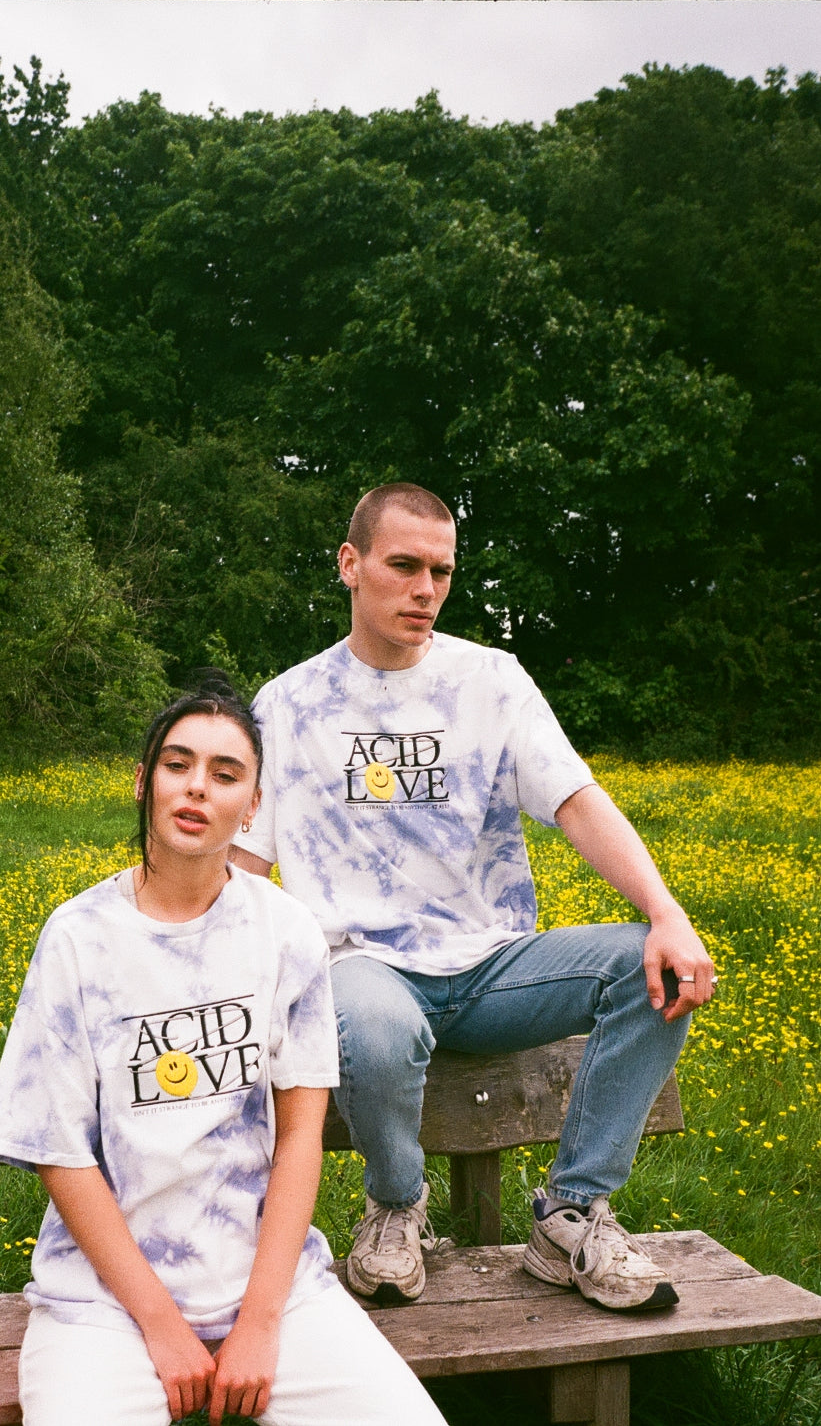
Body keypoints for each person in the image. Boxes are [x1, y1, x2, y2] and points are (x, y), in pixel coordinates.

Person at [231, 483, 717, 1313]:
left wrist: (665, 914)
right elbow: (244, 863)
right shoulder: (287, 704)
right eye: (403, 565)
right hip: (364, 968)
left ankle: (570, 1215)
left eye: (442, 571)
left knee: (656, 970)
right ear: (350, 564)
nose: (424, 589)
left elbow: (576, 800)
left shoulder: (489, 679)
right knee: (375, 1025)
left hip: (494, 966)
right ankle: (396, 1204)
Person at [0, 675, 447, 1426]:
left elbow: (299, 1136)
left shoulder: (284, 931)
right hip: (104, 1302)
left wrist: (259, 1323)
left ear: (252, 806)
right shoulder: (78, 936)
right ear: (144, 782)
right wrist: (162, 1327)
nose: (197, 785)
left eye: (225, 774)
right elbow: (60, 1153)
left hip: (270, 1287)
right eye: (178, 764)